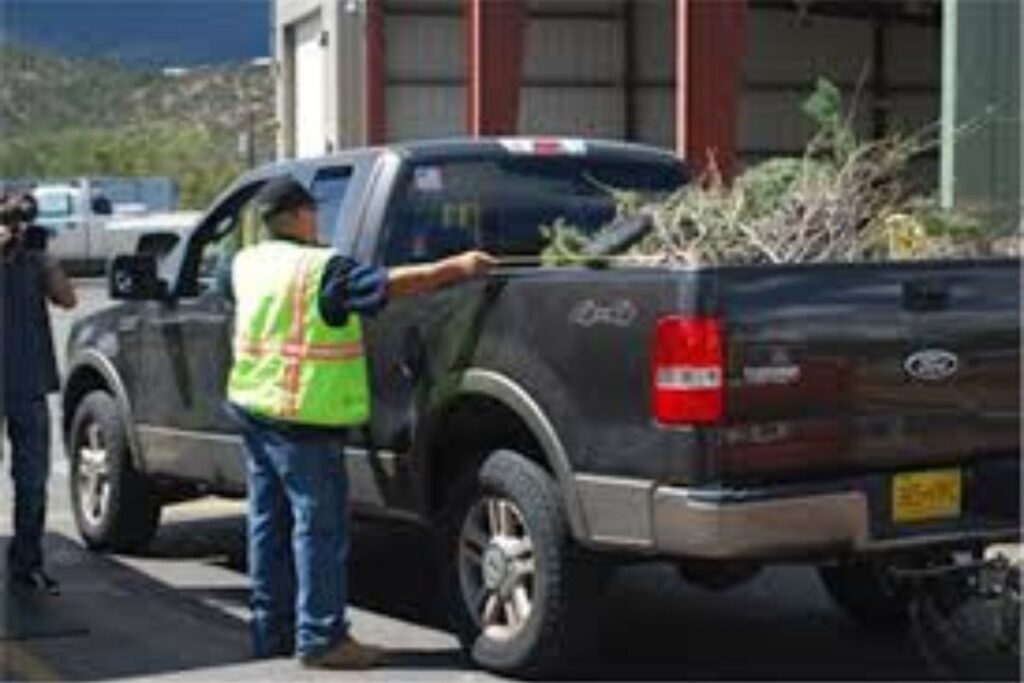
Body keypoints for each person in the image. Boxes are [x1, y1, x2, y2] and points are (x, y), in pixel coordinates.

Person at [226, 177, 495, 669]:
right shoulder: (319, 268)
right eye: (312, 211)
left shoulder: (247, 262)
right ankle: (323, 639)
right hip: (302, 415)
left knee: (267, 522)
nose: (318, 220)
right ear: (298, 215)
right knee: (319, 528)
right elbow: (387, 285)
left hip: (253, 406)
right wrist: (455, 267)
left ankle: (272, 631)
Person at [1, 192, 77, 595]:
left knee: (32, 481)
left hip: (28, 385)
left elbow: (67, 299)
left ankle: (26, 562)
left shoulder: (32, 260)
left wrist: (47, 260)